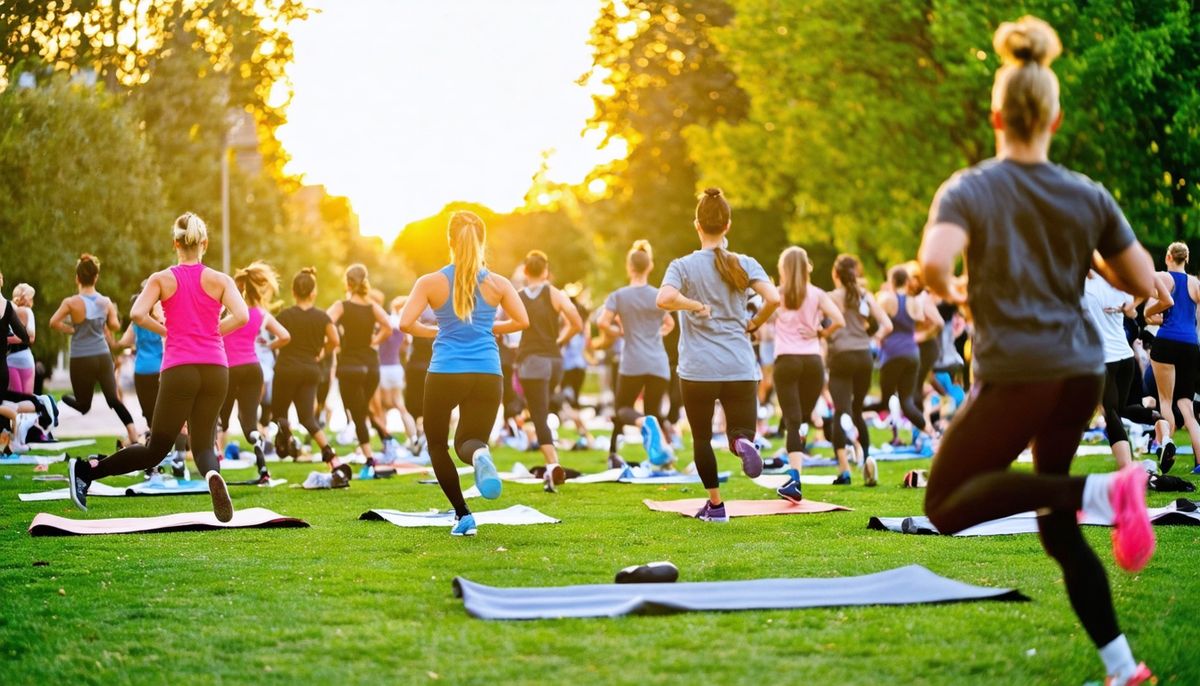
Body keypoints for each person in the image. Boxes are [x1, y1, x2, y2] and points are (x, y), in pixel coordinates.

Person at [919, 17, 1159, 686]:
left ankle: (1106, 491)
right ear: (1052, 119)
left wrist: (958, 293)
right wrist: (1091, 258)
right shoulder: (1087, 194)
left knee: (943, 503)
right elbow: (1143, 282)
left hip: (1021, 370)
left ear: (998, 115)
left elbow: (933, 263)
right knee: (1058, 527)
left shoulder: (969, 187)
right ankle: (1123, 669)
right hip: (1080, 372)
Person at [68, 212, 248, 521]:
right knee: (204, 444)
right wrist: (215, 330)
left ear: (175, 243)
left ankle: (86, 471)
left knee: (156, 449)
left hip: (180, 368)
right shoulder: (221, 280)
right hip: (217, 368)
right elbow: (242, 316)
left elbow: (138, 314)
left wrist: (167, 331)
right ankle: (212, 476)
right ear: (204, 243)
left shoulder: (162, 278)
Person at [399, 210, 528, 536]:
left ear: (450, 241)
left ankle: (463, 515)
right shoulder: (499, 283)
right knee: (469, 441)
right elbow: (522, 321)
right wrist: (489, 326)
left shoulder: (430, 282)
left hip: (446, 372)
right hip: (488, 372)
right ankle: (481, 455)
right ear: (481, 240)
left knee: (438, 446)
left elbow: (405, 323)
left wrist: (437, 330)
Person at [656, 187, 780, 522]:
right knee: (740, 431)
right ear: (727, 226)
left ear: (697, 225)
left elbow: (664, 299)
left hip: (698, 370)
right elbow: (774, 299)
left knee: (701, 438)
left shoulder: (682, 266)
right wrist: (753, 323)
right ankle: (742, 444)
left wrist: (692, 304)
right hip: (739, 365)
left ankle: (715, 505)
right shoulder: (745, 263)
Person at [772, 247, 844, 502]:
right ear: (807, 267)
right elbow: (839, 320)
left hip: (787, 362)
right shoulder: (817, 294)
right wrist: (820, 333)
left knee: (793, 421)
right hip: (813, 363)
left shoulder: (777, 295)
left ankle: (795, 477)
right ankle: (796, 460)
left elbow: (760, 322)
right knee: (801, 419)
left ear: (784, 269)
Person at [598, 240, 675, 469]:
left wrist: (620, 331)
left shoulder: (619, 296)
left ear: (629, 267)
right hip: (658, 362)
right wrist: (655, 333)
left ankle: (631, 435)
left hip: (632, 361)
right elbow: (669, 324)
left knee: (622, 409)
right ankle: (662, 459)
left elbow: (603, 322)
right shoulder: (658, 295)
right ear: (649, 267)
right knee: (655, 412)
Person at [49, 254, 139, 447]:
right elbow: (114, 326)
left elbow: (53, 322)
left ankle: (57, 401)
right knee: (113, 399)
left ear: (77, 278)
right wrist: (108, 317)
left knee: (83, 406)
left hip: (81, 357)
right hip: (101, 356)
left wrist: (71, 329)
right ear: (96, 277)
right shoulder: (105, 302)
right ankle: (133, 434)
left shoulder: (70, 302)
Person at [1084, 271, 1171, 470]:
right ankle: (1160, 423)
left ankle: (1127, 469)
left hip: (1105, 359)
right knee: (1122, 409)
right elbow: (1148, 286)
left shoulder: (1084, 285)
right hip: (1126, 357)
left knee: (1111, 413)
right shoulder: (1118, 282)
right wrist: (1131, 307)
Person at [515, 250, 583, 492]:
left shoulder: (518, 296)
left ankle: (552, 464)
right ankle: (551, 461)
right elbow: (577, 323)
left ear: (525, 271)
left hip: (532, 360)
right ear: (545, 271)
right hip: (555, 361)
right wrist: (559, 341)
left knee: (539, 414)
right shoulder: (554, 294)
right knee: (543, 408)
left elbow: (507, 327)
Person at [221, 262, 290, 482]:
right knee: (249, 423)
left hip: (229, 369)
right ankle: (261, 464)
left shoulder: (230, 311)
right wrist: (268, 346)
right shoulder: (261, 314)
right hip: (253, 368)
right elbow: (285, 336)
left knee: (221, 417)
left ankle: (216, 462)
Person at [827, 254, 892, 485]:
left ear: (835, 274)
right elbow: (887, 324)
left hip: (840, 356)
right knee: (857, 411)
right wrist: (872, 340)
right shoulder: (865, 295)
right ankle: (866, 461)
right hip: (864, 355)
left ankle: (844, 470)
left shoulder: (830, 297)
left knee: (840, 412)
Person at [272, 268, 340, 466]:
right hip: (310, 369)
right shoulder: (322, 317)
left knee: (279, 415)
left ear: (293, 292)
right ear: (313, 293)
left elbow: (277, 339)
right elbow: (334, 340)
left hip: (286, 369)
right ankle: (332, 459)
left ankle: (290, 441)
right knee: (308, 419)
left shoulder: (284, 316)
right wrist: (322, 352)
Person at [328, 264, 392, 473]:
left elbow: (324, 321)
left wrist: (334, 339)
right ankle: (383, 441)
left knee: (357, 413)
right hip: (371, 366)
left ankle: (370, 459)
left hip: (350, 365)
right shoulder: (372, 306)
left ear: (347, 283)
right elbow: (388, 327)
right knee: (361, 410)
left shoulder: (342, 305)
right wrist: (374, 340)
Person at [1144, 242, 1200, 473]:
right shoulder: (1196, 283)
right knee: (1186, 405)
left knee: (1165, 401)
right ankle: (1199, 463)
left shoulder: (1162, 278)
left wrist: (1150, 315)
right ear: (1186, 259)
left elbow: (1151, 312)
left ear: (1168, 257)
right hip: (1190, 345)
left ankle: (1168, 444)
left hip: (1166, 342)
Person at [870, 265, 933, 452]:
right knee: (907, 402)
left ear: (891, 281)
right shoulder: (914, 302)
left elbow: (876, 317)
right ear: (907, 282)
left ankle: (848, 415)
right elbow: (923, 320)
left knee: (884, 401)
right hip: (913, 354)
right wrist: (920, 334)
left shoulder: (887, 300)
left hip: (892, 354)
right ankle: (931, 433)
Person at [371, 295, 418, 463]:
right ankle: (413, 439)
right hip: (397, 368)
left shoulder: (386, 322)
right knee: (400, 405)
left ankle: (386, 443)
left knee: (382, 407)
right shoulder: (404, 326)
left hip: (383, 368)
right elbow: (406, 346)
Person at [7, 283, 37, 394]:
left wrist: (6, 339)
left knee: (16, 399)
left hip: (11, 359)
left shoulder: (8, 310)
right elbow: (31, 338)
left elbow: (16, 337)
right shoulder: (29, 312)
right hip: (26, 358)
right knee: (28, 397)